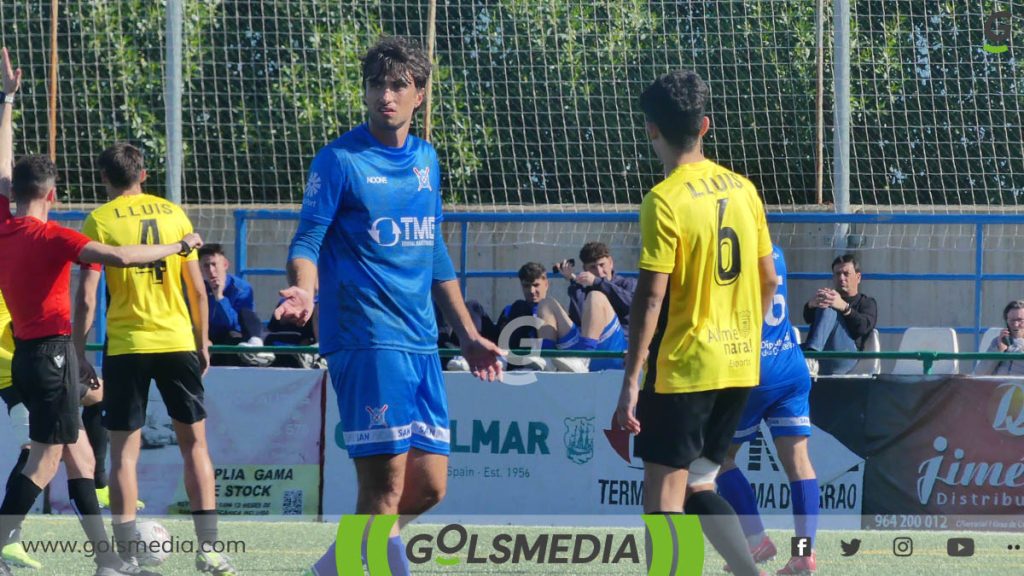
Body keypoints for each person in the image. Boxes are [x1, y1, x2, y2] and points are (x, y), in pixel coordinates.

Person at [273, 36, 503, 576]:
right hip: (367, 339)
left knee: (429, 488)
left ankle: (332, 568)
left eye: (399, 85)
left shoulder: (427, 159)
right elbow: (307, 241)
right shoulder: (338, 160)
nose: (386, 95)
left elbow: (435, 251)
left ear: (419, 95)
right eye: (377, 84)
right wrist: (305, 290)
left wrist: (467, 334)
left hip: (421, 341)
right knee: (383, 490)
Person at [0, 46, 199, 576]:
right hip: (51, 355)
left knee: (80, 453)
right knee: (49, 457)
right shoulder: (51, 237)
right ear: (54, 193)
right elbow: (119, 256)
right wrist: (178, 246)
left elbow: (5, 168)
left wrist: (7, 103)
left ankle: (108, 559)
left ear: (15, 193)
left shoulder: (6, 225)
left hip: (30, 355)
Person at [612, 69, 778, 576]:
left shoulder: (664, 200)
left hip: (685, 366)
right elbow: (768, 280)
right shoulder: (745, 190)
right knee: (699, 483)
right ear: (705, 125)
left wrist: (631, 380)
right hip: (738, 365)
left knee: (662, 497)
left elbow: (650, 297)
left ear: (650, 129)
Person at [73, 142, 236, 574]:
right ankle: (210, 550)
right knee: (195, 445)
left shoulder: (99, 220)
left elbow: (87, 298)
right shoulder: (174, 215)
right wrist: (203, 342)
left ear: (104, 178)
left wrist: (78, 350)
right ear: (143, 174)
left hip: (128, 345)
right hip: (177, 340)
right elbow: (197, 288)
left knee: (126, 454)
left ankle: (126, 556)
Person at [717, 245, 820, 575]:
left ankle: (756, 538)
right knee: (800, 464)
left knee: (717, 458)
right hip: (791, 365)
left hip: (752, 370)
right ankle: (803, 553)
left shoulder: (730, 254)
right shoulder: (774, 250)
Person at [544, 242, 635, 371]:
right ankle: (546, 359)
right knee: (546, 304)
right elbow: (579, 318)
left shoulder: (628, 283)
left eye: (602, 265)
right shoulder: (585, 288)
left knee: (595, 296)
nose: (599, 271)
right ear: (585, 269)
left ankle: (583, 356)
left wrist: (598, 283)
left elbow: (631, 304)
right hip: (586, 346)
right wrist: (573, 280)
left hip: (616, 349)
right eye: (593, 267)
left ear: (611, 262)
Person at [198, 243, 274, 366]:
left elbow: (234, 324)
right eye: (206, 266)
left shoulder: (241, 288)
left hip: (233, 335)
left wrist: (219, 297)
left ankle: (256, 348)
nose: (211, 271)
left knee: (232, 339)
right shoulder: (197, 289)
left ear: (225, 265)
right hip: (207, 335)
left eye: (214, 264)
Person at [801, 254, 878, 375]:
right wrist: (811, 305)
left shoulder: (867, 303)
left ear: (858, 277)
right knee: (784, 349)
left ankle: (810, 357)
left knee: (829, 306)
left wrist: (844, 308)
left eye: (846, 274)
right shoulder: (829, 298)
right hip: (823, 353)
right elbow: (808, 319)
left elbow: (864, 327)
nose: (841, 278)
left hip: (846, 357)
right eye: (837, 274)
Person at [975, 300, 1024, 376]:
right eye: (1011, 320)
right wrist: (999, 350)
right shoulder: (999, 341)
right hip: (997, 385)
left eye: (1020, 320)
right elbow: (980, 373)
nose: (1016, 324)